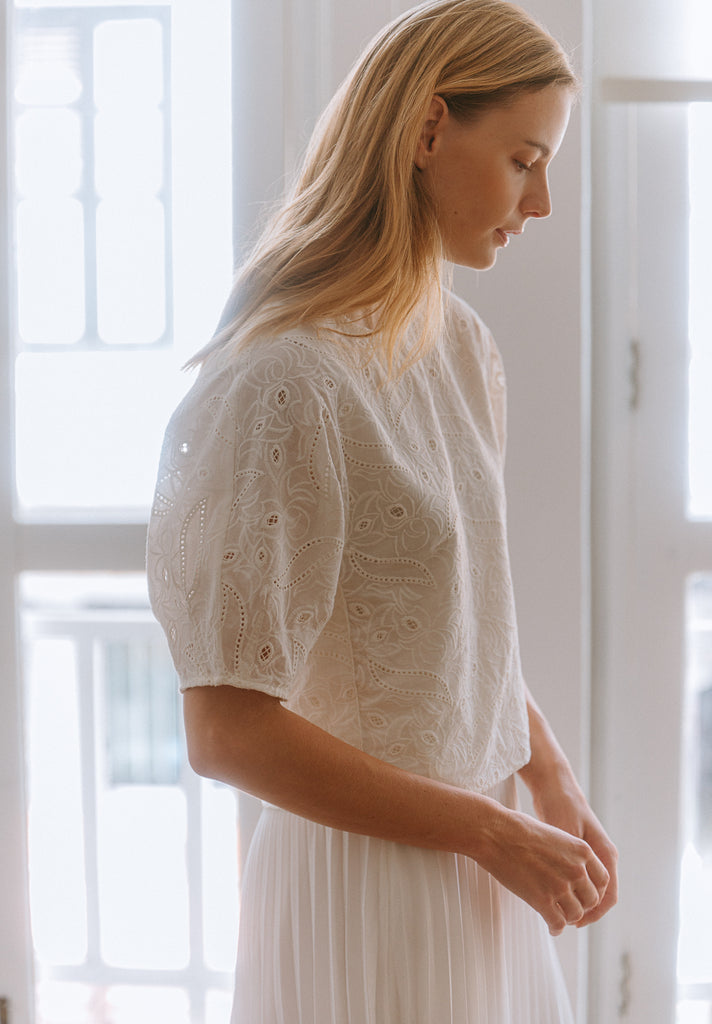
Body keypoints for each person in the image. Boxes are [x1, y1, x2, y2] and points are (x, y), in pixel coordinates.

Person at [146, 1, 618, 1020]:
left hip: (479, 860)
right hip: (362, 881)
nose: (540, 203)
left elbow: (455, 625)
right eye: (525, 159)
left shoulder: (460, 350)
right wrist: (485, 831)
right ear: (427, 130)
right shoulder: (282, 381)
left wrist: (550, 777)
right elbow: (226, 729)